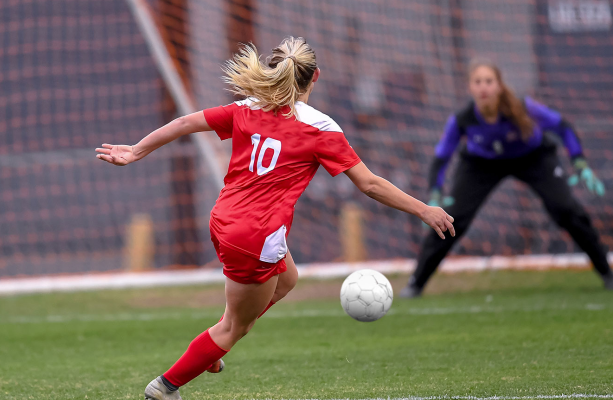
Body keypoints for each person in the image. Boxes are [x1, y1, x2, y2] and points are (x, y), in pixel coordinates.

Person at [97, 37, 454, 400]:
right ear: (316, 77)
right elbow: (370, 184)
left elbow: (186, 122)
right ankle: (166, 386)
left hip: (223, 220)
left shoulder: (248, 107)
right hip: (255, 237)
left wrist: (137, 150)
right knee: (233, 327)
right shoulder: (321, 128)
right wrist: (424, 209)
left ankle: (213, 345)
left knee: (288, 278)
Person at [400, 59, 613, 298]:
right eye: (478, 82)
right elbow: (442, 156)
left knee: (565, 210)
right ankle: (416, 283)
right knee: (452, 219)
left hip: (533, 158)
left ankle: (607, 272)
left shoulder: (524, 108)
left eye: (489, 81)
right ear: (470, 88)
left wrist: (579, 161)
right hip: (481, 164)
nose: (483, 87)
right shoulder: (462, 119)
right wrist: (435, 191)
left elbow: (563, 127)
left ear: (499, 86)